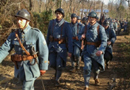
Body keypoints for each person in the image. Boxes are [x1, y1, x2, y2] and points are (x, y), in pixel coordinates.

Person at [0, 9, 48, 90]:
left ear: (27, 21)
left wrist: (43, 66)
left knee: (26, 88)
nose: (18, 21)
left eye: (21, 19)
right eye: (17, 19)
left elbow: (44, 51)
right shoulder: (14, 34)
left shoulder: (36, 33)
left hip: (31, 67)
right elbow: (4, 49)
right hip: (20, 68)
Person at [78, 11, 107, 90]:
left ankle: (96, 77)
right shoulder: (85, 27)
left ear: (96, 19)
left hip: (96, 52)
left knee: (96, 70)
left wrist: (101, 50)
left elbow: (104, 40)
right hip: (87, 51)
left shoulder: (100, 28)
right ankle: (86, 85)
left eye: (92, 18)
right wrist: (81, 36)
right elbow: (79, 35)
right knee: (87, 68)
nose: (91, 19)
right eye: (89, 18)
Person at [46, 8, 73, 86]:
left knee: (59, 64)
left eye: (60, 14)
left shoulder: (66, 24)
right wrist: (46, 47)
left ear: (62, 15)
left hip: (61, 47)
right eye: (57, 13)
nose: (58, 15)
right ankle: (57, 72)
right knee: (52, 64)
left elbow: (70, 38)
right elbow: (48, 35)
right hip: (52, 46)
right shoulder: (52, 23)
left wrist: (70, 51)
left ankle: (57, 79)